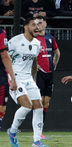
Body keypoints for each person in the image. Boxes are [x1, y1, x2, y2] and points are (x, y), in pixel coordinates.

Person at [7, 17, 50, 147]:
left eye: (38, 25)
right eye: (33, 25)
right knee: (27, 106)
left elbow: (34, 63)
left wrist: (34, 80)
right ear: (26, 27)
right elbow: (4, 58)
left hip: (28, 79)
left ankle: (36, 141)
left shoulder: (37, 43)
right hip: (15, 78)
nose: (37, 27)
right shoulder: (14, 42)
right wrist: (10, 79)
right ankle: (12, 131)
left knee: (38, 107)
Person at [36, 16, 60, 139]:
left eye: (40, 23)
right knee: (38, 103)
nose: (38, 25)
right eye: (36, 23)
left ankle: (41, 130)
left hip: (50, 74)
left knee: (46, 103)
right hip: (39, 74)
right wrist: (35, 65)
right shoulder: (34, 39)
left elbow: (57, 52)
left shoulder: (50, 38)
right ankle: (37, 131)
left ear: (45, 24)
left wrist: (54, 63)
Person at [0, 28, 17, 129]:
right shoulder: (1, 33)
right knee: (1, 107)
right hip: (1, 77)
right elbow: (5, 56)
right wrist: (13, 78)